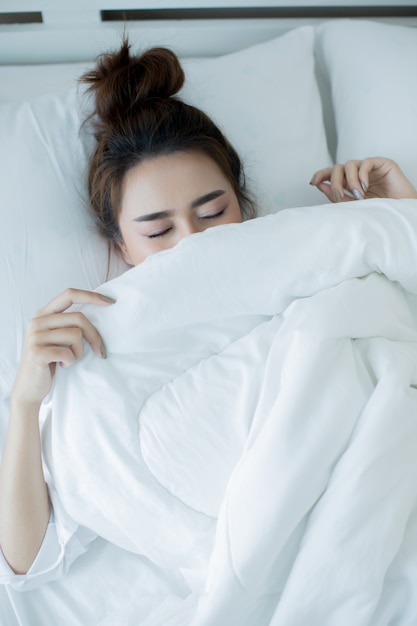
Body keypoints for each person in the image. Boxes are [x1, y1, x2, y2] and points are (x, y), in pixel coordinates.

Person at [0, 37, 416, 582]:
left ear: (242, 203)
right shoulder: (95, 353)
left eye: (212, 213)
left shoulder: (316, 250)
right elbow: (26, 561)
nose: (192, 243)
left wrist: (399, 217)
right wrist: (26, 403)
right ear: (121, 245)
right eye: (158, 230)